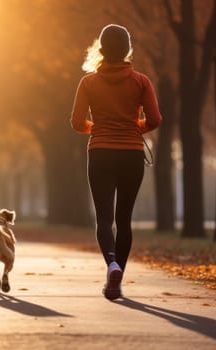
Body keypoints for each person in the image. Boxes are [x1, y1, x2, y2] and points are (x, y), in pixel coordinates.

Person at [70, 24, 162, 300]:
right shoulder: (141, 81)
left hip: (100, 153)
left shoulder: (88, 82)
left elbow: (76, 123)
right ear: (127, 50)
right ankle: (117, 276)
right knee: (124, 219)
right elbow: (155, 119)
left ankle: (111, 264)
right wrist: (134, 127)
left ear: (101, 48)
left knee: (104, 219)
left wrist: (97, 129)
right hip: (131, 155)